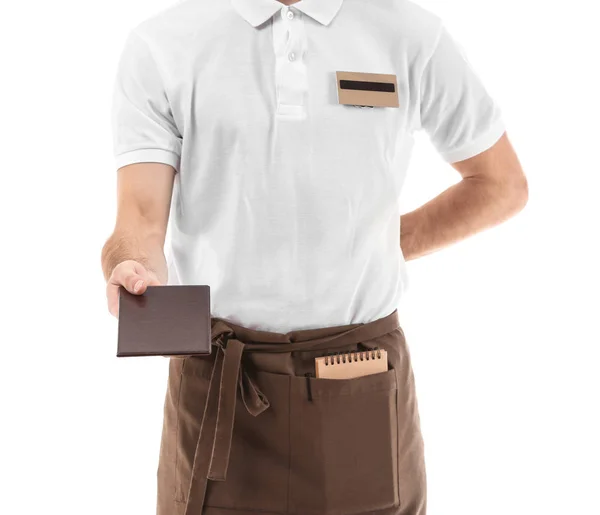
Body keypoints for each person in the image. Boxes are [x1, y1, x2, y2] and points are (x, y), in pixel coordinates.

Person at [101, 0, 528, 513]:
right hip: (218, 389)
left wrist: (379, 244)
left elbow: (500, 184)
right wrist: (131, 264)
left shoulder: (409, 33)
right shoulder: (162, 43)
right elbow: (141, 218)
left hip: (360, 379)